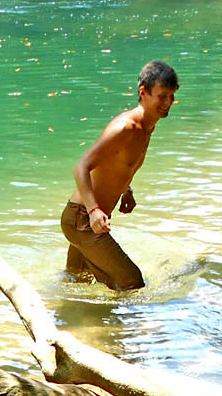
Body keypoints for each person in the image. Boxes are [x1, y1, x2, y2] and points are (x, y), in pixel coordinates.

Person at [61, 60, 180, 291]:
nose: (168, 103)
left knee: (76, 282)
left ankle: (75, 323)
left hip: (83, 221)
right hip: (82, 219)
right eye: (162, 96)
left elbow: (116, 165)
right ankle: (126, 328)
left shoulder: (147, 128)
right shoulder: (126, 128)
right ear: (143, 93)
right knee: (132, 282)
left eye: (171, 97)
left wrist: (126, 190)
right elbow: (81, 167)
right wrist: (94, 211)